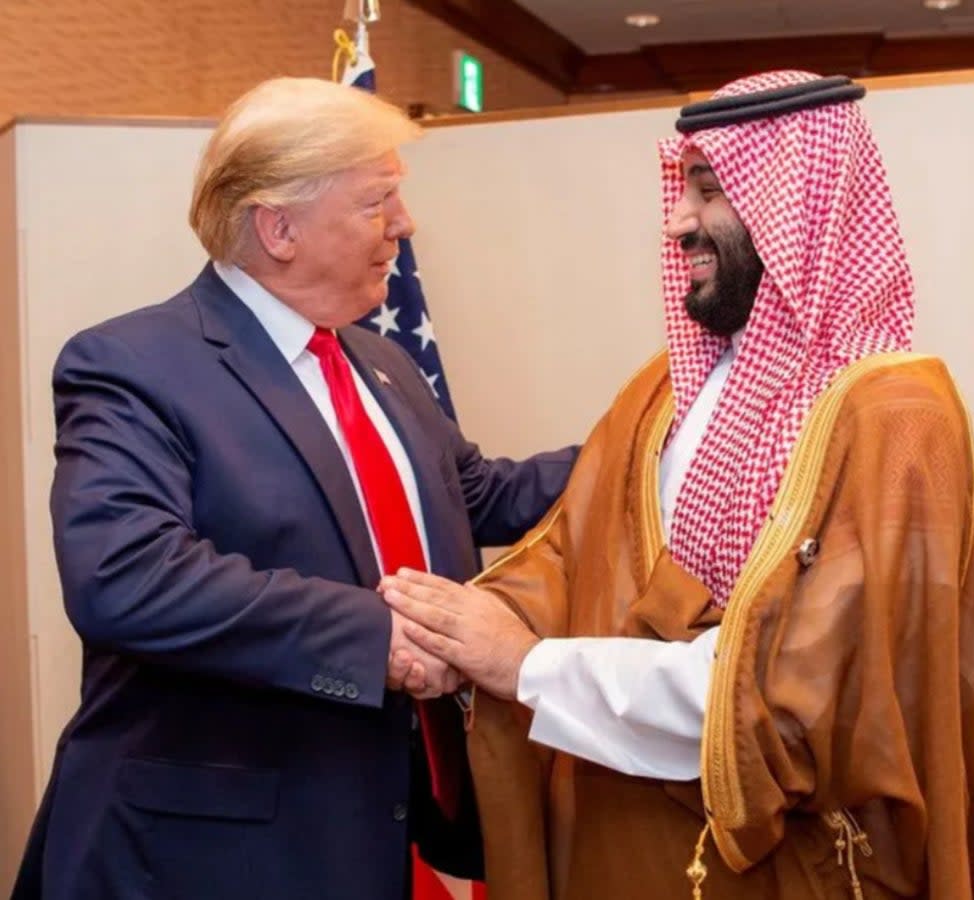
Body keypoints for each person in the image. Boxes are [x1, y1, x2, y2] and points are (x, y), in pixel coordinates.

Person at [381, 71, 974, 900]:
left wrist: (529, 667)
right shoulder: (663, 390)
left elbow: (802, 700)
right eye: (680, 189)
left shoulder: (896, 420)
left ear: (795, 207)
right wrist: (458, 637)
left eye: (709, 190)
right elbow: (574, 558)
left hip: (795, 868)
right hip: (622, 845)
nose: (676, 221)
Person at [12, 76, 575, 900]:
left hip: (375, 827)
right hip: (205, 858)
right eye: (378, 200)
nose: (404, 225)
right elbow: (124, 577)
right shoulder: (132, 365)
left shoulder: (379, 361)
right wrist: (370, 638)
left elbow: (480, 496)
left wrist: (652, 443)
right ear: (278, 227)